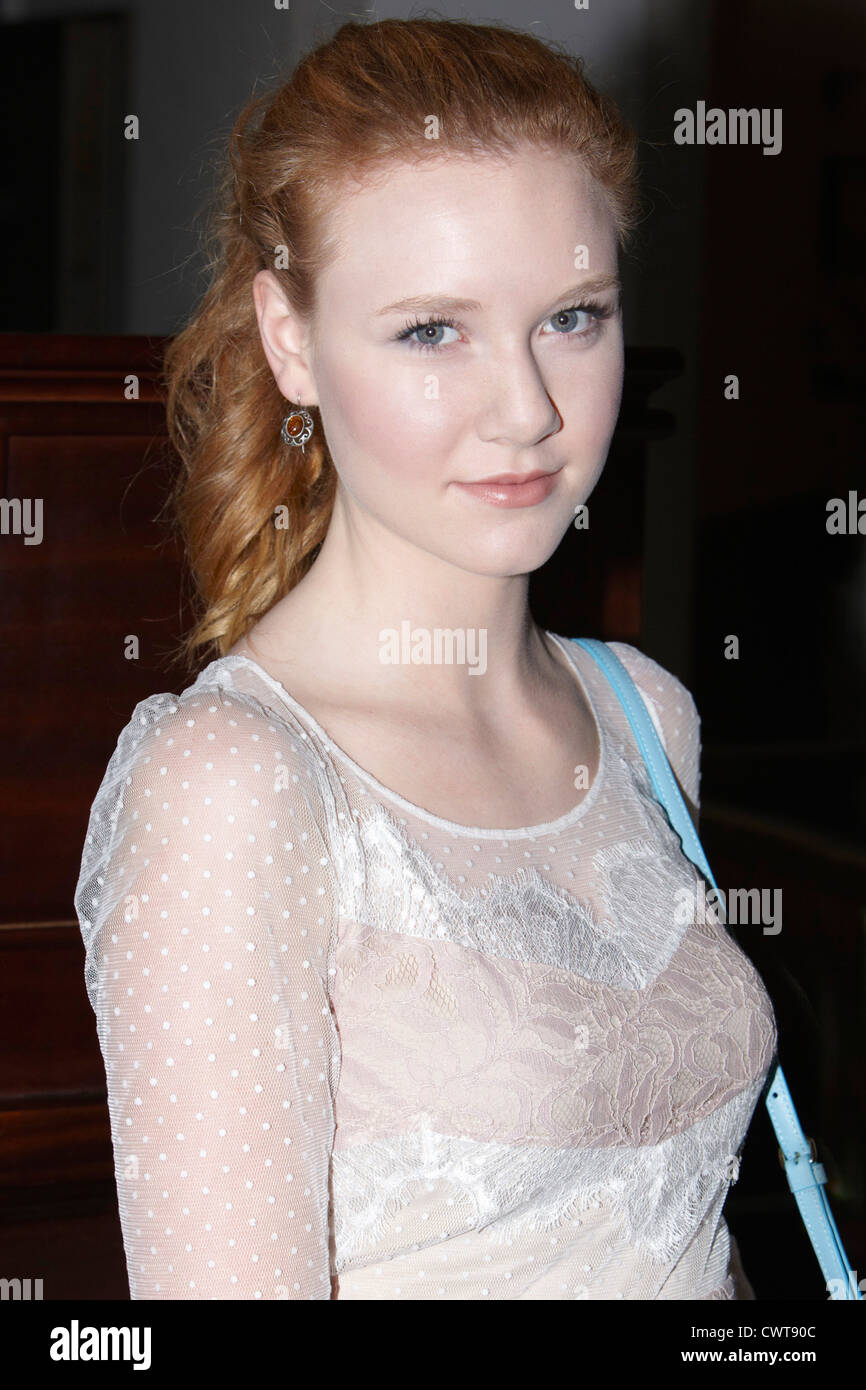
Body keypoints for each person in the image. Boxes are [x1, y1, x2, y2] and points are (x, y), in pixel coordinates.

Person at [74, 17, 776, 1300]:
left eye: (571, 317)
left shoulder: (640, 714)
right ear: (289, 337)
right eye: (430, 331)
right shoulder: (233, 788)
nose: (526, 409)